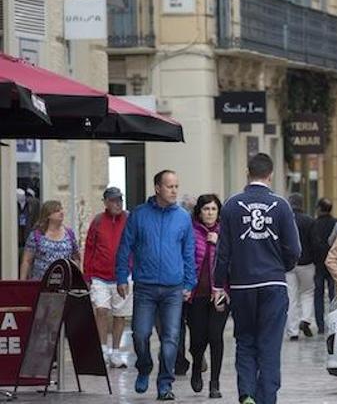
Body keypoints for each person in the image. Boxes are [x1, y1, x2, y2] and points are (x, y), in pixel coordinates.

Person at [213, 153, 300, 404]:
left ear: (247, 172)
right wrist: (281, 267)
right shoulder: (281, 205)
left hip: (242, 285)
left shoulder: (231, 205)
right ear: (270, 175)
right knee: (270, 344)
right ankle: (267, 397)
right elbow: (294, 249)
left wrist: (220, 284)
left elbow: (223, 251)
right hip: (273, 283)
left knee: (245, 340)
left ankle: (247, 393)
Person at [116, 170, 196, 401]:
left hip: (174, 288)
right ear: (157, 188)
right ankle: (144, 366)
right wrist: (122, 277)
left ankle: (165, 384)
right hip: (145, 286)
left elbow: (189, 254)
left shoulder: (183, 217)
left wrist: (189, 283)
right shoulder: (139, 215)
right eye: (169, 186)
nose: (174, 191)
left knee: (171, 338)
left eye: (176, 186)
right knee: (140, 334)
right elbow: (125, 248)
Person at [83, 187, 131, 369]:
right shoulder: (97, 221)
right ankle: (102, 350)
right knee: (101, 311)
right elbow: (89, 248)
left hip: (123, 276)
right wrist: (87, 274)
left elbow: (136, 243)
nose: (117, 203)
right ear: (105, 202)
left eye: (119, 200)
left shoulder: (129, 219)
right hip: (99, 276)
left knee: (120, 315)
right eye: (113, 200)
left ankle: (116, 352)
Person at [187, 194, 228, 399]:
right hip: (196, 295)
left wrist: (218, 242)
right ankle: (196, 366)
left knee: (215, 336)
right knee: (197, 339)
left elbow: (234, 259)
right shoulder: (191, 231)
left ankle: (215, 383)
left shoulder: (225, 232)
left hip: (220, 293)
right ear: (199, 212)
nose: (210, 213)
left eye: (213, 209)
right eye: (206, 209)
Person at [20, 200, 80, 281]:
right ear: (48, 215)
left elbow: (76, 257)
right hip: (40, 283)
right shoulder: (36, 235)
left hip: (64, 284)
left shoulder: (69, 234)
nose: (61, 212)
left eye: (61, 209)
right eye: (57, 211)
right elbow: (27, 261)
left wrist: (75, 276)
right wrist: (22, 283)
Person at [286, 193, 316, 341]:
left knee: (291, 297)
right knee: (307, 293)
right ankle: (305, 319)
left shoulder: (286, 220)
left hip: (289, 264)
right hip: (307, 263)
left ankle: (293, 331)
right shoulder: (309, 221)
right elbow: (314, 243)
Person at [311, 198, 337, 334]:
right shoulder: (336, 223)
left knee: (318, 295)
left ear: (319, 209)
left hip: (319, 264)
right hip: (333, 264)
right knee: (333, 295)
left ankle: (320, 326)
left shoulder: (315, 224)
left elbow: (312, 243)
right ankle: (334, 322)